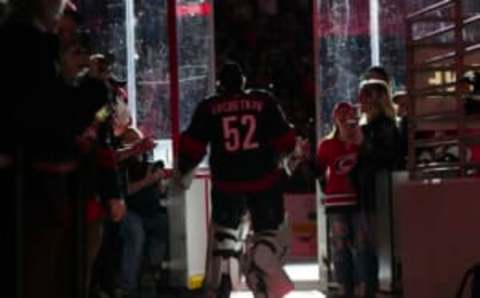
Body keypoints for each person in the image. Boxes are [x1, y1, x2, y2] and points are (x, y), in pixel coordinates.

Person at [174, 62, 296, 298]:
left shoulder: (209, 107)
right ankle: (263, 271)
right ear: (243, 82)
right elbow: (286, 139)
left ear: (220, 85)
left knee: (224, 238)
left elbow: (192, 145)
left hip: (226, 183)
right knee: (269, 233)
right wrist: (284, 159)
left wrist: (183, 171)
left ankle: (221, 284)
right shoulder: (263, 101)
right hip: (264, 181)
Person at [350, 79, 401, 298]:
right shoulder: (367, 126)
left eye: (364, 95)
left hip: (378, 195)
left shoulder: (385, 126)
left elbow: (387, 159)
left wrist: (362, 146)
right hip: (366, 194)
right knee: (365, 246)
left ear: (374, 98)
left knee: (373, 246)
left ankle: (374, 289)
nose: (359, 101)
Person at [316, 102, 364, 297]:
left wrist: (359, 143)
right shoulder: (327, 144)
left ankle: (360, 286)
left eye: (348, 117)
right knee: (340, 247)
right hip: (336, 201)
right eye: (341, 118)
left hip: (357, 200)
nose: (345, 122)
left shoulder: (359, 141)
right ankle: (345, 287)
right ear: (335, 119)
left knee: (360, 246)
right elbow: (318, 171)